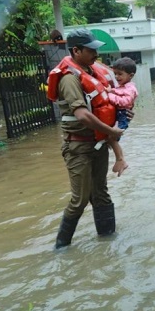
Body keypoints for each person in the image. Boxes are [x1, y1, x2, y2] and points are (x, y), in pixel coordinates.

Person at [46, 29, 124, 249]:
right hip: (78, 146)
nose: (96, 54)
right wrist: (112, 132)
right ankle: (61, 248)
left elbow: (104, 104)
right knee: (79, 200)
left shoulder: (91, 72)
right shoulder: (69, 79)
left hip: (98, 144)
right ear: (76, 50)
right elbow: (81, 114)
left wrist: (120, 115)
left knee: (101, 193)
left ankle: (108, 242)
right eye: (91, 50)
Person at [107, 57, 139, 176]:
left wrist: (110, 96)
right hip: (120, 114)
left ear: (130, 75)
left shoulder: (130, 88)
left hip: (123, 115)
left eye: (120, 74)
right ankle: (120, 160)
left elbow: (125, 102)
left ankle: (121, 160)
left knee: (113, 137)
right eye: (115, 74)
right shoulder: (123, 86)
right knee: (111, 138)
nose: (117, 77)